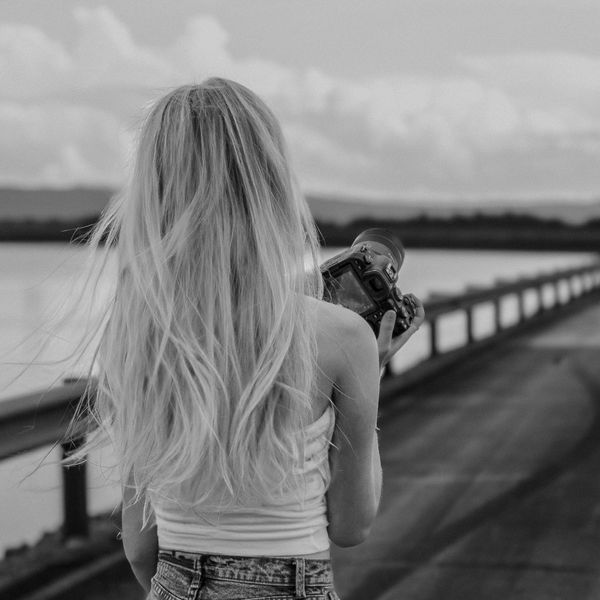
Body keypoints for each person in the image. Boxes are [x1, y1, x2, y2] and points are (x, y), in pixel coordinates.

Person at [68, 78, 424, 600]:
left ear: (154, 189)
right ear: (272, 184)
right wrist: (369, 371)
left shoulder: (139, 330)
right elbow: (352, 525)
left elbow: (142, 550)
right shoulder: (342, 336)